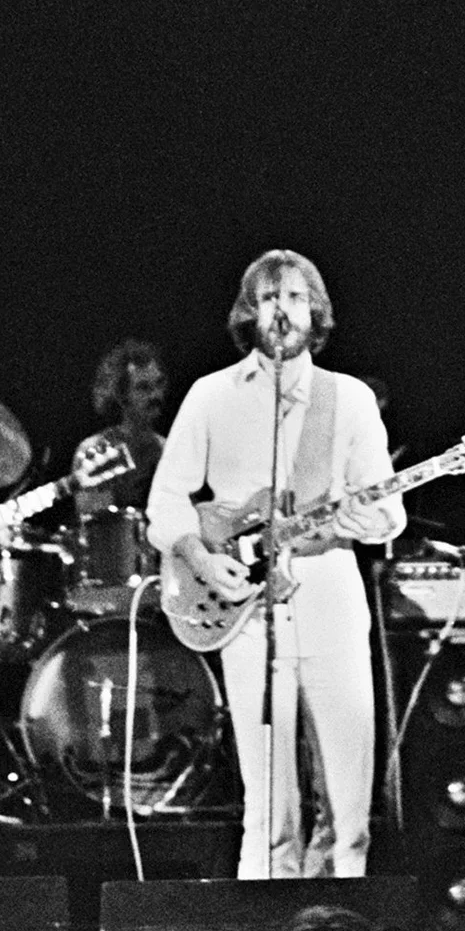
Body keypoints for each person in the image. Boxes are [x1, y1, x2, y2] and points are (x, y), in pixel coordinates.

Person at [146, 249, 404, 879]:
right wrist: (201, 562)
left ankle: (342, 925)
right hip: (244, 608)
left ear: (315, 311)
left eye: (293, 297)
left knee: (348, 806)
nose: (281, 310)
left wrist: (355, 517)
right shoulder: (211, 396)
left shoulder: (347, 399)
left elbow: (388, 513)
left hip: (331, 599)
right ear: (249, 312)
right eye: (268, 298)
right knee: (266, 806)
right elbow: (165, 500)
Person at [72, 338, 169, 518]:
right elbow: (97, 526)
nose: (156, 395)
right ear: (122, 396)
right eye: (143, 388)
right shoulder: (96, 451)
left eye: (159, 384)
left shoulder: (169, 450)